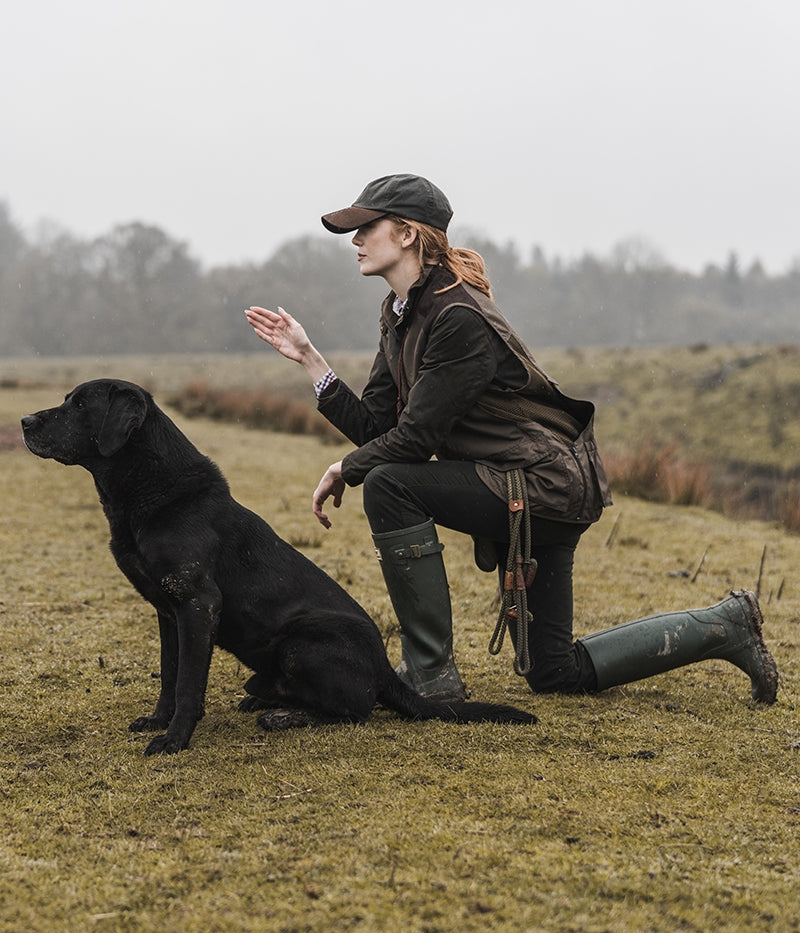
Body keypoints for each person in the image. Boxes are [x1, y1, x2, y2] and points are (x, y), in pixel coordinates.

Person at [244, 173, 778, 707]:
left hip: (545, 485)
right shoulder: (401, 313)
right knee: (555, 672)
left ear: (407, 235)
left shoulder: (457, 317)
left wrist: (347, 466)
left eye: (366, 227)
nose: (355, 241)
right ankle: (725, 626)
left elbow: (414, 441)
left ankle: (430, 673)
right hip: (524, 484)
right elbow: (381, 431)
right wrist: (312, 361)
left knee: (387, 483)